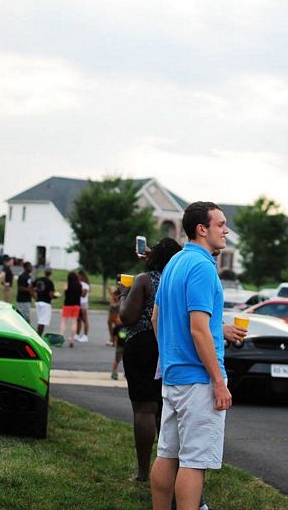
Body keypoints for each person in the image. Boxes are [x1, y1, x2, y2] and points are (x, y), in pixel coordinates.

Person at [149, 202, 233, 510]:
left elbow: (156, 318)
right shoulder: (202, 267)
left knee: (166, 454)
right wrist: (218, 381)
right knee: (193, 462)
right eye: (220, 224)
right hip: (198, 380)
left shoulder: (174, 262)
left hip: (173, 377)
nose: (226, 230)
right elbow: (199, 329)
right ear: (202, 229)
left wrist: (171, 354)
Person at [118, 237, 183, 482]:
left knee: (144, 409)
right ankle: (168, 470)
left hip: (142, 345)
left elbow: (128, 316)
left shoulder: (144, 280)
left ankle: (144, 473)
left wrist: (123, 295)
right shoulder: (179, 281)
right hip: (169, 345)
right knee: (165, 409)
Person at [62, 271, 83, 347]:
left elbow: (65, 294)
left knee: (64, 322)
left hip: (67, 305)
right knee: (74, 322)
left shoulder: (67, 284)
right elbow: (80, 294)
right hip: (76, 305)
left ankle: (61, 338)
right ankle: (72, 340)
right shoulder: (79, 285)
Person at [34, 267, 56, 335]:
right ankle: (39, 335)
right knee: (42, 322)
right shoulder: (49, 282)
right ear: (51, 273)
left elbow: (32, 287)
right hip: (46, 302)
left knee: (40, 320)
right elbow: (51, 294)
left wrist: (35, 296)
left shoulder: (38, 279)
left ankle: (38, 334)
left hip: (38, 301)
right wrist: (54, 297)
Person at [75, 270, 91, 342]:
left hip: (83, 304)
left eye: (78, 276)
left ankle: (85, 336)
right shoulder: (79, 283)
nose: (77, 277)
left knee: (85, 320)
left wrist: (76, 291)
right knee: (78, 319)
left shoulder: (85, 285)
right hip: (78, 303)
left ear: (82, 276)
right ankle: (77, 335)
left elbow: (83, 295)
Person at [110, 316, 126, 380]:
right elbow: (114, 336)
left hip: (127, 346)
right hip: (120, 346)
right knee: (117, 360)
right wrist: (114, 342)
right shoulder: (117, 327)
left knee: (127, 360)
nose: (118, 320)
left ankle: (126, 372)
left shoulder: (128, 325)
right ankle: (114, 372)